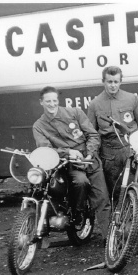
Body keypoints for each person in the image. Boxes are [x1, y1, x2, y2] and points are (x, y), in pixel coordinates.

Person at [32, 86, 110, 239]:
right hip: (69, 164)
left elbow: (93, 135)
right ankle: (78, 214)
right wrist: (67, 152)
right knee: (80, 182)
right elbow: (45, 149)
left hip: (90, 161)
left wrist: (89, 153)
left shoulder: (75, 113)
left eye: (54, 100)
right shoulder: (39, 126)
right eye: (48, 101)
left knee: (102, 198)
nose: (52, 104)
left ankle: (109, 239)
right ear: (41, 102)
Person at [87, 66, 138, 199]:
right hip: (109, 153)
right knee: (115, 191)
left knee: (135, 188)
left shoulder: (131, 99)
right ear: (103, 81)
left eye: (116, 82)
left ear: (120, 81)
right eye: (109, 82)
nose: (113, 85)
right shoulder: (95, 104)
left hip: (131, 149)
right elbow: (91, 133)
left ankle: (136, 212)